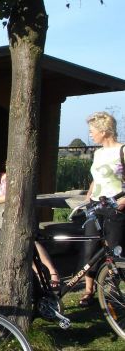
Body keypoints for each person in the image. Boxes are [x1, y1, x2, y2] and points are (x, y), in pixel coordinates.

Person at [0, 160, 61, 289]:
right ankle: (39, 274)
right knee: (21, 243)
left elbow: (10, 196)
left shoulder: (5, 179)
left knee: (29, 241)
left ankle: (52, 272)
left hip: (13, 225)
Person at [80, 111, 125, 306]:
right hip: (95, 205)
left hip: (116, 206)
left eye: (92, 131)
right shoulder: (97, 153)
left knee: (115, 250)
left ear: (104, 131)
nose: (91, 134)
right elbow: (97, 177)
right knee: (90, 248)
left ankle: (114, 291)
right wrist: (89, 194)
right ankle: (89, 289)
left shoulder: (122, 150)